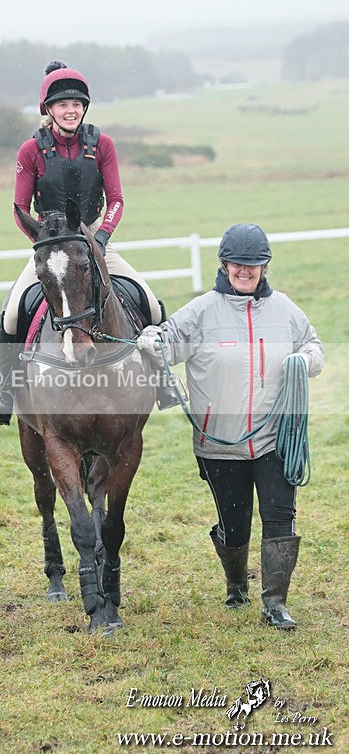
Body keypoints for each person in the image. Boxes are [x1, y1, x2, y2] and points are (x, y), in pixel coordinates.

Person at [137, 223, 324, 629]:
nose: (245, 271)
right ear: (224, 264)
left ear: (265, 266)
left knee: (280, 518)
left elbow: (315, 346)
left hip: (277, 440)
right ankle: (236, 583)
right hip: (219, 445)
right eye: (238, 263)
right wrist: (151, 340)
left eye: (254, 264)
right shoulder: (201, 312)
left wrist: (303, 361)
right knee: (235, 527)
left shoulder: (286, 310)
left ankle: (275, 603)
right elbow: (165, 344)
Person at [0, 59, 176, 425]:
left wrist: (100, 238)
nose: (70, 110)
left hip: (95, 241)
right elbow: (19, 208)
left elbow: (116, 200)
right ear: (49, 110)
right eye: (62, 105)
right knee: (11, 314)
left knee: (150, 304)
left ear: (84, 108)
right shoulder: (30, 151)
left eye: (76, 104)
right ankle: (4, 392)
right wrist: (45, 245)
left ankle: (163, 380)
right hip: (53, 250)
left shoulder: (102, 144)